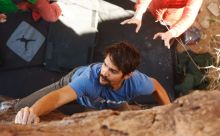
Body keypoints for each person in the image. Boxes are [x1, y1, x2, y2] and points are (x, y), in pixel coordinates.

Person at [14, 41, 171, 125]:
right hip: (73, 83)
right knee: (20, 108)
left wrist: (169, 111)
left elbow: (157, 86)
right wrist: (32, 112)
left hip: (111, 102)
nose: (104, 72)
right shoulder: (89, 79)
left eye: (112, 71)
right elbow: (58, 96)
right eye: (105, 64)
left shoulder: (137, 82)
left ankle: (127, 107)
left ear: (128, 75)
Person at [121, 0, 203, 49]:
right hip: (155, 9)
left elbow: (189, 15)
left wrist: (173, 32)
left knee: (172, 26)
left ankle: (170, 35)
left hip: (173, 18)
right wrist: (139, 13)